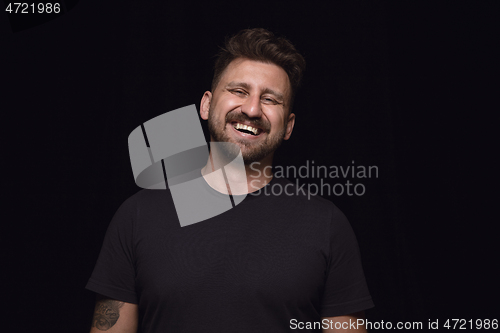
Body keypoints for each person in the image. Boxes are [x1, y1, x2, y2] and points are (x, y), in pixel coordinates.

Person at [86, 28, 374, 332]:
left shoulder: (327, 225)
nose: (251, 109)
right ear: (207, 105)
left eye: (270, 99)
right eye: (239, 91)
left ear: (288, 125)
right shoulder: (136, 216)